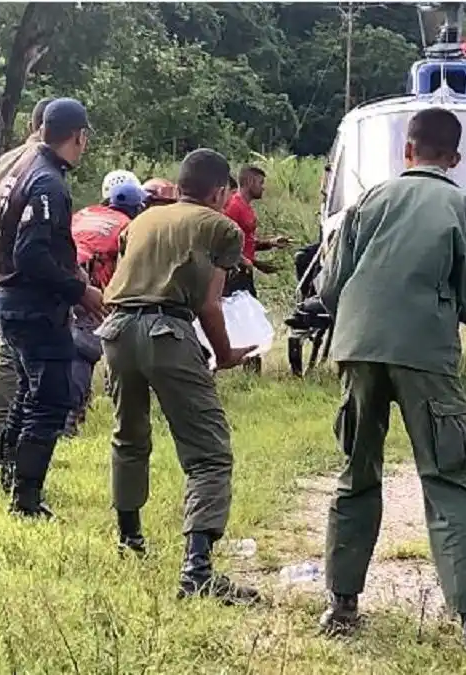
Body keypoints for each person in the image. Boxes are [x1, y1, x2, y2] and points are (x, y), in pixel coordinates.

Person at [314, 107, 466, 658]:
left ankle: (341, 607)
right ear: (454, 159)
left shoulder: (368, 201)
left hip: (357, 349)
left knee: (355, 473)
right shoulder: (464, 207)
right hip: (425, 353)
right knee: (450, 477)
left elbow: (330, 288)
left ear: (406, 150)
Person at [94, 148, 259, 605]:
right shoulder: (220, 227)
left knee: (128, 436)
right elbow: (209, 304)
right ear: (220, 192)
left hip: (116, 330)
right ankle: (197, 570)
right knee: (209, 453)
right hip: (167, 330)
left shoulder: (142, 220)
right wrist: (225, 355)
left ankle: (130, 541)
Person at [0, 98, 105, 518]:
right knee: (51, 400)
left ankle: (13, 480)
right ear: (79, 137)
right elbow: (32, 254)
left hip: (12, 300)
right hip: (35, 307)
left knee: (28, 392)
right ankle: (26, 499)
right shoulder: (48, 182)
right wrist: (79, 290)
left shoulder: (25, 167)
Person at [0, 97, 53, 479]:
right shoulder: (39, 162)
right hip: (13, 273)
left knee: (12, 357)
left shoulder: (7, 159)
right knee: (12, 359)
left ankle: (8, 442)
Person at [61, 181, 148, 437]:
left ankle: (65, 409)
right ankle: (68, 419)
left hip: (56, 278)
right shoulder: (129, 225)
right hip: (87, 286)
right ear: (136, 208)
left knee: (59, 348)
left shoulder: (84, 213)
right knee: (84, 349)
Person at [222, 165, 289, 373]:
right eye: (261, 183)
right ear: (250, 182)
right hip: (234, 275)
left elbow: (246, 243)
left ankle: (251, 367)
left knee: (248, 318)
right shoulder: (234, 207)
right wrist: (246, 262)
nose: (263, 187)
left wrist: (270, 244)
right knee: (242, 319)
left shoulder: (246, 207)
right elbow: (224, 242)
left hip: (244, 272)